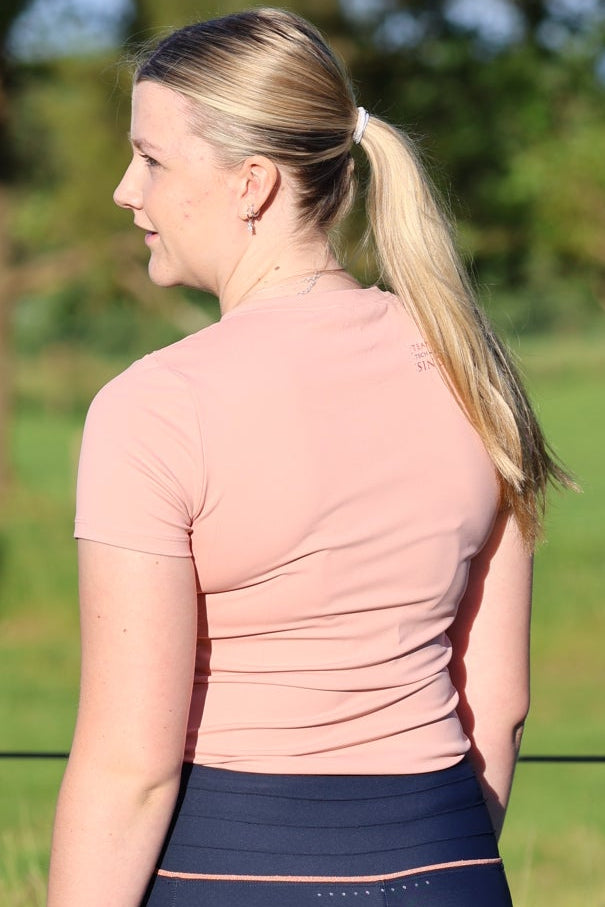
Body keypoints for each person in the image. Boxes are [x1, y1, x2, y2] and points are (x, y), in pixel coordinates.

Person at [47, 8, 572, 907]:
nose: (125, 190)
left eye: (152, 158)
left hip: (233, 872)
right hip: (448, 868)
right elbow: (501, 700)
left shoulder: (155, 407)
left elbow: (131, 768)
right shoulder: (469, 366)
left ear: (251, 183)